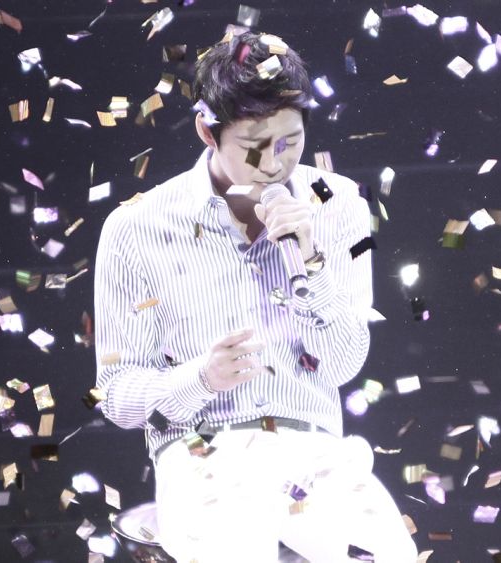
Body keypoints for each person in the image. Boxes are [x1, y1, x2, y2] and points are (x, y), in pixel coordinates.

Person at [92, 30, 418, 562]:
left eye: (289, 142)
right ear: (207, 130)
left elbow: (342, 364)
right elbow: (114, 394)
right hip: (202, 454)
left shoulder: (338, 204)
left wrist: (309, 258)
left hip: (317, 456)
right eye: (253, 147)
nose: (273, 164)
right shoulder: (136, 226)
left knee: (388, 552)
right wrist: (201, 377)